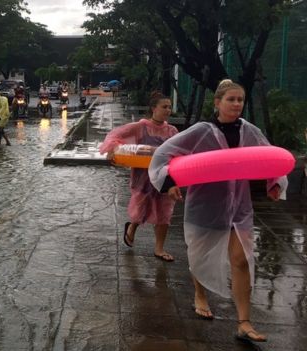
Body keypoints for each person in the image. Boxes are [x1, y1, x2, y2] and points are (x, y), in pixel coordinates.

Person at [149, 79, 287, 342]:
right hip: (206, 205)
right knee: (200, 256)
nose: (236, 104)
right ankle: (200, 294)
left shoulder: (250, 131)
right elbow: (163, 155)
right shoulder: (201, 131)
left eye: (240, 100)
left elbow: (269, 156)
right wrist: (169, 183)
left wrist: (275, 184)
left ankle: (244, 322)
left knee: (241, 260)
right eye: (231, 99)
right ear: (217, 103)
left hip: (239, 207)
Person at [99, 91, 178, 262]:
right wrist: (113, 149)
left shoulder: (172, 131)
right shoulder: (140, 127)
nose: (168, 110)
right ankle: (132, 226)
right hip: (143, 177)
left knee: (165, 212)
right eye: (164, 107)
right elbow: (115, 135)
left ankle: (159, 249)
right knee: (141, 209)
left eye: (170, 107)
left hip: (164, 177)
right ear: (153, 108)